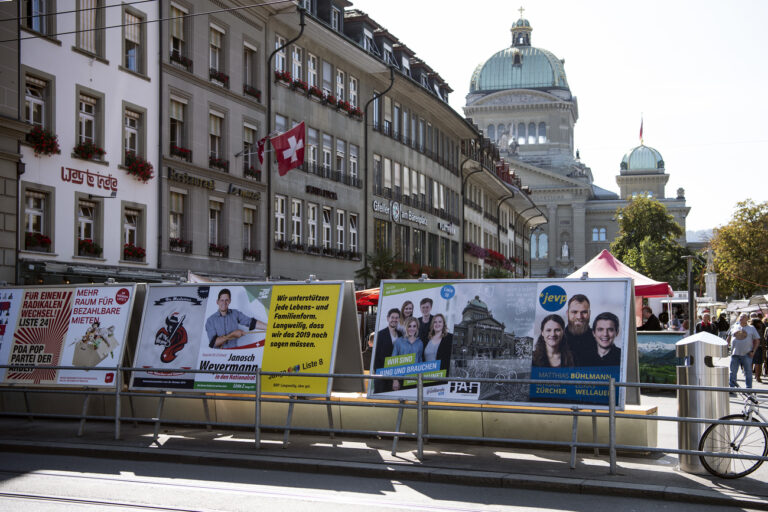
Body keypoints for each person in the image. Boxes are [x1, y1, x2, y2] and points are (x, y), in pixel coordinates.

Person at [727, 313, 761, 389]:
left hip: (747, 354)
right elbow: (729, 337)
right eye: (741, 316)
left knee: (748, 372)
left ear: (747, 319)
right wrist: (726, 347)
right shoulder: (734, 326)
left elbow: (757, 340)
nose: (741, 318)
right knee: (732, 372)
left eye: (744, 317)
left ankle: (748, 389)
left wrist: (753, 351)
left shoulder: (751, 328)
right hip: (735, 353)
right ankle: (732, 388)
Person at [391, 316, 424, 391]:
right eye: (409, 326)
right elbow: (393, 361)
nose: (412, 329)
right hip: (401, 378)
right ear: (406, 327)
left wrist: (420, 380)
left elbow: (420, 361)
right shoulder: (399, 342)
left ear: (417, 328)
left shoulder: (420, 343)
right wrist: (395, 380)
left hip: (414, 380)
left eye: (414, 326)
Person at [372, 308, 400, 393]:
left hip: (397, 376)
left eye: (396, 318)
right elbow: (376, 358)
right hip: (382, 377)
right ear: (388, 318)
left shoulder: (401, 335)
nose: (394, 320)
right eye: (392, 317)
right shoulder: (380, 335)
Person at [562, 294, 596, 365]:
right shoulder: (556, 339)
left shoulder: (599, 340)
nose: (579, 317)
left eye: (584, 312)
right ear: (567, 313)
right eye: (574, 312)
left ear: (589, 314)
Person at [750, 313, 766, 383]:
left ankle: (757, 376)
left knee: (758, 363)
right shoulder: (752, 329)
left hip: (758, 347)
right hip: (753, 347)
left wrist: (763, 346)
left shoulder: (760, 328)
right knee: (753, 362)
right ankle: (753, 376)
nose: (760, 324)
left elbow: (762, 338)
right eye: (759, 323)